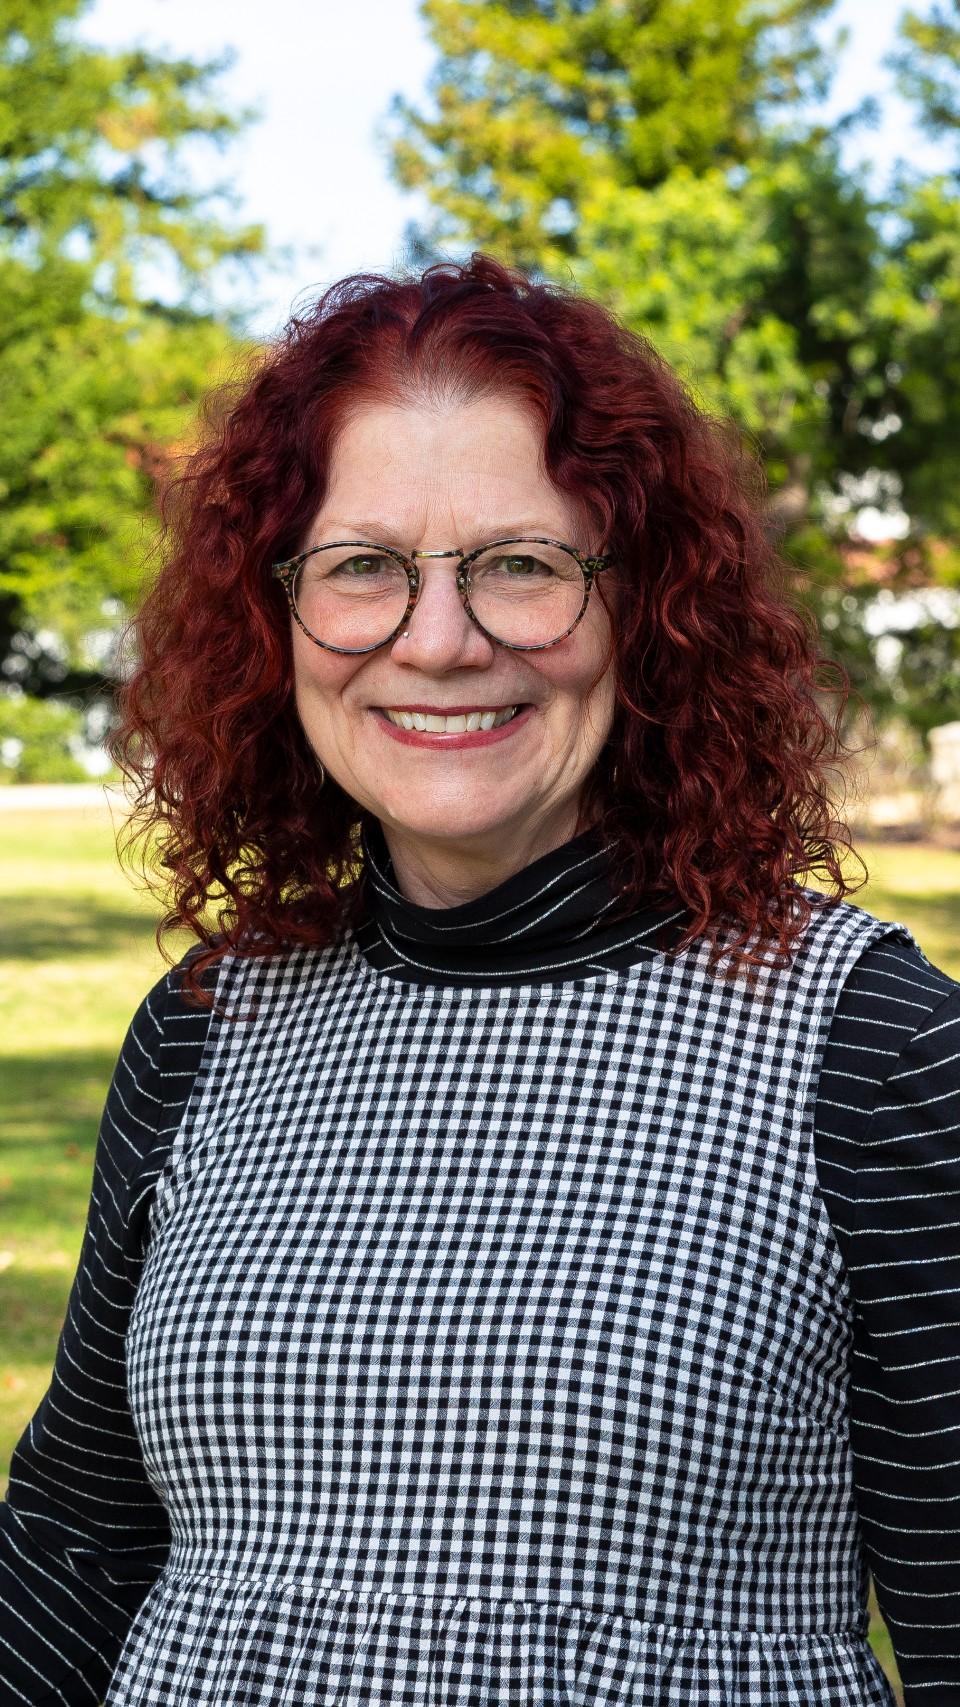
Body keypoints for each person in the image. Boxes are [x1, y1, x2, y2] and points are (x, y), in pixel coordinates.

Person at [1, 254, 957, 1707]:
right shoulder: (208, 1026)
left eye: (521, 564)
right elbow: (76, 1542)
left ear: (647, 610)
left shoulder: (867, 1043)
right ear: (279, 616)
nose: (437, 642)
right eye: (363, 567)